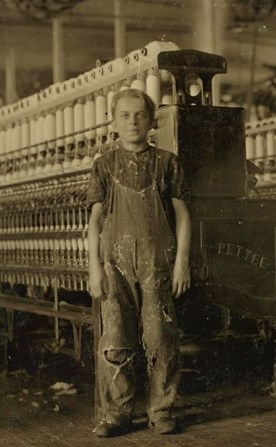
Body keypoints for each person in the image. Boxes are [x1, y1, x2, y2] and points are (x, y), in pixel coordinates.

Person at [86, 88, 191, 437]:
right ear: (114, 121)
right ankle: (117, 413)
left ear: (151, 120)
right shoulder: (104, 163)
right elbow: (96, 221)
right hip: (114, 264)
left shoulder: (167, 162)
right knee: (116, 338)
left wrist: (182, 263)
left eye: (140, 115)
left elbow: (182, 216)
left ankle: (161, 411)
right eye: (125, 115)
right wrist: (94, 268)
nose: (133, 121)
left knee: (160, 336)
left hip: (157, 263)